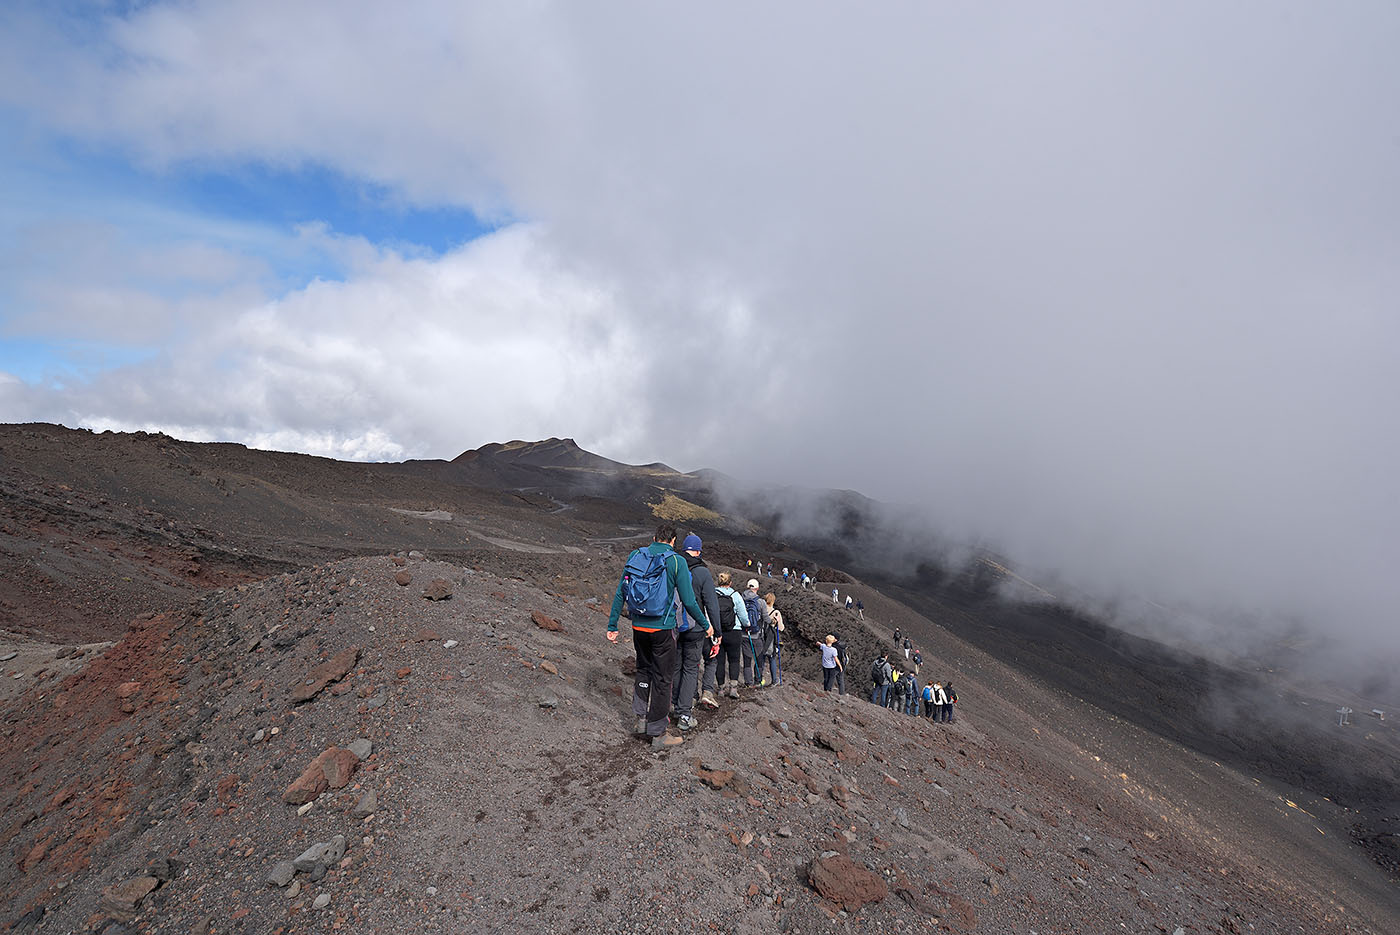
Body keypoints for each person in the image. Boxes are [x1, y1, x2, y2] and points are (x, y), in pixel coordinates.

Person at [607, 523, 709, 747]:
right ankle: (658, 733)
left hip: (638, 627)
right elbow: (689, 600)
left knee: (643, 672)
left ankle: (641, 721)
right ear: (673, 541)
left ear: (654, 538)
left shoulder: (636, 555)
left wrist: (613, 625)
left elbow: (620, 592)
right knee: (663, 679)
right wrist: (705, 624)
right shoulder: (676, 561)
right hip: (663, 629)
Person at [673, 533, 720, 726]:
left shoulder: (674, 565)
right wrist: (717, 631)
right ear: (699, 551)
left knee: (676, 666)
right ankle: (684, 713)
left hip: (674, 625)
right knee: (691, 668)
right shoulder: (702, 572)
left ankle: (674, 705)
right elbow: (711, 603)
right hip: (696, 627)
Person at [713, 572, 749, 699]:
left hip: (718, 631)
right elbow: (743, 616)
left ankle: (721, 689)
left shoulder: (713, 594)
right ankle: (733, 688)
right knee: (734, 660)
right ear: (730, 583)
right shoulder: (735, 595)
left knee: (720, 661)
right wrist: (747, 624)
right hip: (734, 631)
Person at [741, 579, 768, 686]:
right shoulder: (761, 602)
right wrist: (773, 622)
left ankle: (748, 682)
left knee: (747, 659)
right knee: (759, 658)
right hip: (756, 635)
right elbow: (765, 618)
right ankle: (758, 680)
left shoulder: (740, 599)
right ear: (757, 589)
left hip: (744, 634)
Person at [761, 592, 784, 685]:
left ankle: (758, 679)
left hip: (761, 636)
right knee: (772, 658)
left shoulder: (761, 610)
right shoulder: (776, 612)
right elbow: (781, 628)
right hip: (771, 638)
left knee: (761, 658)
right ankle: (774, 679)